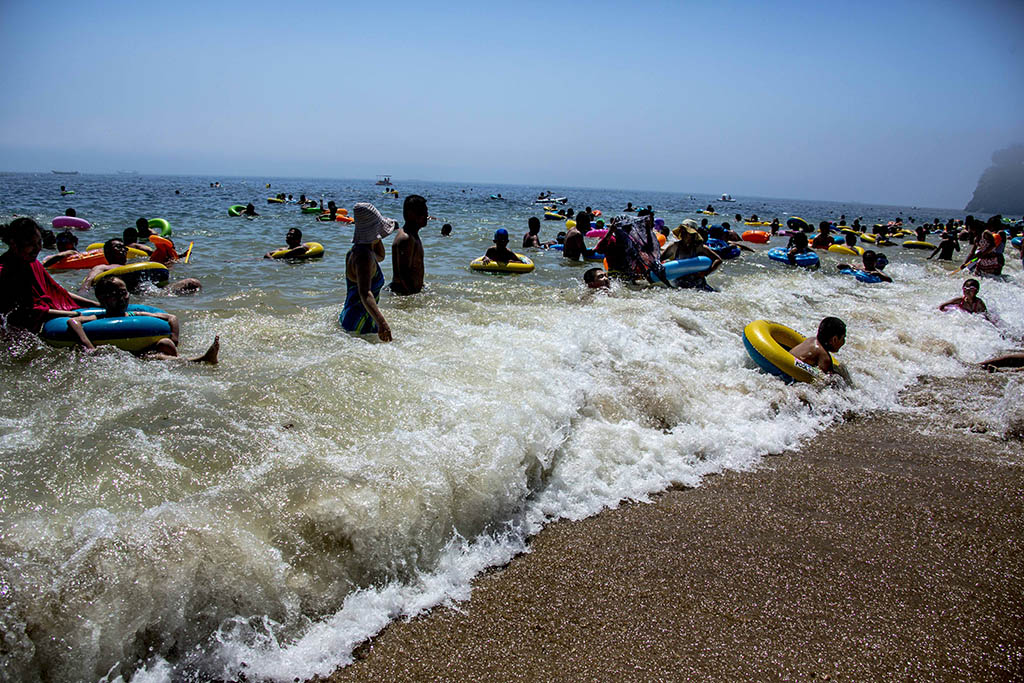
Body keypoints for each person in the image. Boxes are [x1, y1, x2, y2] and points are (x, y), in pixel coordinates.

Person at [65, 276, 219, 362]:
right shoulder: (100, 317)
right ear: (102, 299)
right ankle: (196, 361)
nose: (122, 298)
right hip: (124, 355)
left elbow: (171, 317)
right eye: (115, 295)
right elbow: (73, 321)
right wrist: (88, 346)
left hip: (141, 350)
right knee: (149, 357)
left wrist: (175, 337)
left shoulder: (135, 315)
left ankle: (188, 363)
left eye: (124, 293)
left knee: (166, 343)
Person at [0, 218, 98, 332]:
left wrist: (95, 304)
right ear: (14, 244)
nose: (37, 249)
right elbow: (24, 313)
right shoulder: (5, 272)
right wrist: (74, 314)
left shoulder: (33, 263)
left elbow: (58, 293)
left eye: (39, 242)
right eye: (30, 244)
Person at [341, 203, 396, 341]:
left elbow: (381, 256)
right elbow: (365, 293)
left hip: (354, 316)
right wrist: (383, 324)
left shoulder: (360, 250)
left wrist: (375, 237)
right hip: (359, 322)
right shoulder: (363, 256)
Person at [661, 222, 722, 290]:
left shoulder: (699, 247)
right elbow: (658, 260)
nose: (684, 234)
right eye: (682, 231)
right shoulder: (674, 246)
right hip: (679, 283)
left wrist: (706, 273)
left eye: (687, 232)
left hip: (698, 283)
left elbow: (718, 260)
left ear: (693, 235)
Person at [391, 194, 427, 295]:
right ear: (411, 214)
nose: (426, 216)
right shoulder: (406, 238)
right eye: (423, 212)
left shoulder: (413, 235)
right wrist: (411, 296)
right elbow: (403, 273)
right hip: (403, 292)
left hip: (409, 291)